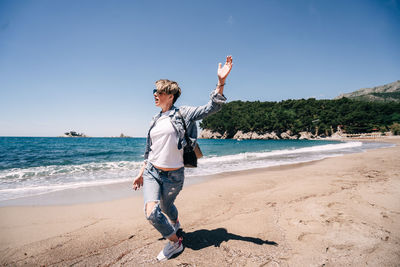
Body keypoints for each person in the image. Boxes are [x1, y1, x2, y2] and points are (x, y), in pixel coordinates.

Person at [132, 55, 233, 261]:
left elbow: (211, 108)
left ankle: (175, 223)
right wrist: (141, 172)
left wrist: (221, 82)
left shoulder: (183, 113)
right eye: (154, 91)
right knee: (151, 213)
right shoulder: (155, 119)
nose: (154, 95)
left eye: (158, 91)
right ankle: (175, 241)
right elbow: (150, 150)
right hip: (152, 171)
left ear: (170, 95)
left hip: (173, 176)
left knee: (167, 207)